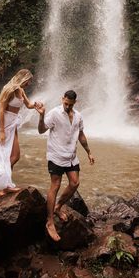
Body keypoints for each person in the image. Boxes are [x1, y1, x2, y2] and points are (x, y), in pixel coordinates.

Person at [36, 90, 95, 242]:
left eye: (70, 104)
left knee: (75, 183)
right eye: (65, 103)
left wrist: (88, 152)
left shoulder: (78, 116)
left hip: (71, 156)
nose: (67, 106)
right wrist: (42, 115)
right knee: (55, 185)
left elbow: (81, 134)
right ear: (62, 99)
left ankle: (58, 207)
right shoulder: (54, 113)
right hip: (56, 156)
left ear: (75, 102)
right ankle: (49, 222)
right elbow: (41, 130)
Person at [0, 69, 42, 196]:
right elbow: (1, 110)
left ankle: (6, 184)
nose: (29, 84)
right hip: (4, 125)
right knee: (5, 156)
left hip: (13, 125)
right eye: (28, 81)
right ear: (23, 78)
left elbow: (28, 105)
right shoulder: (9, 90)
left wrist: (37, 105)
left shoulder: (21, 90)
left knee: (15, 156)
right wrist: (1, 131)